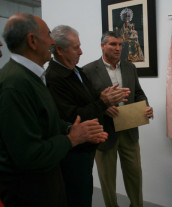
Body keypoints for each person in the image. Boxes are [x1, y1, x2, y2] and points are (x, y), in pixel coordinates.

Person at [0, 13, 107, 207]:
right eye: (48, 35)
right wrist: (71, 139)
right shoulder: (15, 84)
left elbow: (48, 119)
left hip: (47, 185)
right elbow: (28, 154)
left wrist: (73, 130)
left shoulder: (31, 77)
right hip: (29, 194)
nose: (51, 41)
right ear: (32, 41)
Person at [45, 25, 130, 207]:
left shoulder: (76, 71)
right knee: (77, 197)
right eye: (76, 48)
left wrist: (102, 98)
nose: (81, 52)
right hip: (72, 153)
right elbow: (72, 117)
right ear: (59, 50)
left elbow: (89, 100)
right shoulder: (54, 77)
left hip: (87, 147)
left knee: (84, 193)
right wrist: (102, 102)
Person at [83, 31, 154, 207]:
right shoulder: (88, 70)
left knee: (135, 175)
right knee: (107, 179)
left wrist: (145, 106)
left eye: (120, 44)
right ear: (102, 46)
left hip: (129, 129)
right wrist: (103, 108)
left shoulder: (129, 67)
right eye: (113, 44)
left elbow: (138, 92)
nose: (118, 48)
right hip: (103, 132)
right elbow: (85, 102)